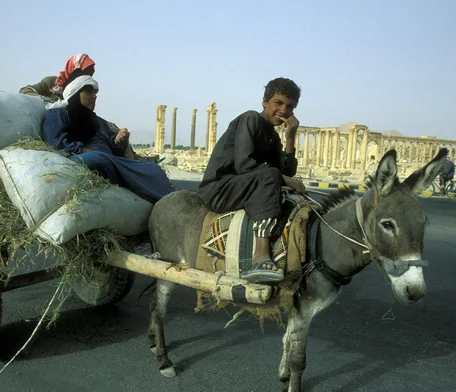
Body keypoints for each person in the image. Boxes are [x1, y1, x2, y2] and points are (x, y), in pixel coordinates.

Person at [198, 77, 306, 283]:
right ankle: (260, 255)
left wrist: (290, 137)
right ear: (265, 102)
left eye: (290, 106)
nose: (284, 110)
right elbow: (244, 165)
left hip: (243, 186)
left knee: (276, 179)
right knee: (270, 175)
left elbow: (287, 172)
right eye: (279, 103)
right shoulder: (251, 119)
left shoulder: (272, 136)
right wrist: (284, 179)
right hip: (219, 188)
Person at [41, 75, 174, 204]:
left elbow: (111, 145)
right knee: (99, 159)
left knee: (152, 168)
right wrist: (83, 150)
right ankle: (158, 196)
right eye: (89, 92)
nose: (94, 96)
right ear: (75, 94)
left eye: (95, 93)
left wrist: (118, 140)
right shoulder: (58, 114)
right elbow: (55, 143)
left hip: (108, 159)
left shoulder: (96, 121)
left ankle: (169, 199)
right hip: (77, 159)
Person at [20, 54, 156, 162]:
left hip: (81, 118)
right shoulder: (53, 84)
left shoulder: (86, 87)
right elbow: (25, 90)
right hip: (67, 121)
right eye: (84, 73)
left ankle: (134, 159)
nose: (86, 77)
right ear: (74, 71)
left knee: (113, 130)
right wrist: (54, 103)